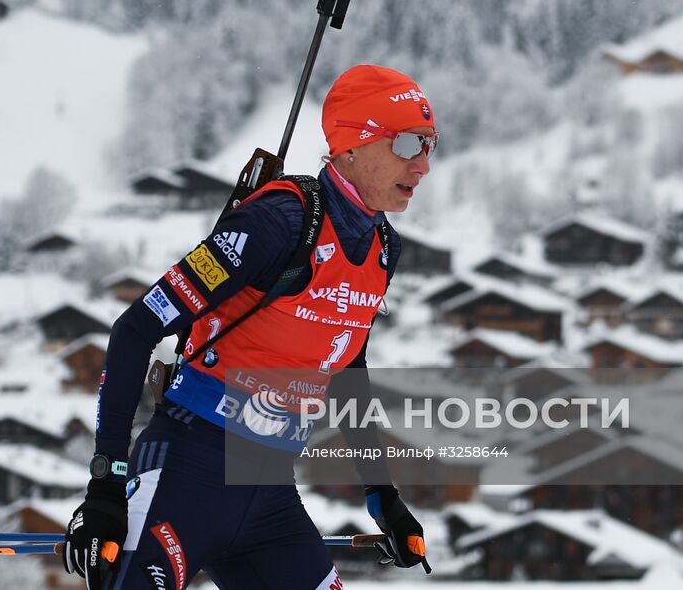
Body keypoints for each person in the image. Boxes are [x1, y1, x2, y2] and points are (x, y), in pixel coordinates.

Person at [64, 65, 437, 589]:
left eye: (430, 146)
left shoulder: (382, 250)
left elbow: (347, 367)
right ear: (352, 146)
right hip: (185, 474)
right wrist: (106, 485)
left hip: (270, 500)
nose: (422, 165)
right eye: (407, 144)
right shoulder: (279, 221)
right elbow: (135, 329)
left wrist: (385, 499)